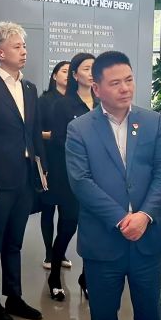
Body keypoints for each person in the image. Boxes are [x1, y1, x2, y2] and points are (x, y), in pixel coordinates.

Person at [65, 51, 161, 320]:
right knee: (103, 315)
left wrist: (144, 215)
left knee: (149, 312)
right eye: (115, 83)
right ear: (97, 88)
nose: (125, 88)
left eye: (129, 80)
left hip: (147, 237)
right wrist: (120, 218)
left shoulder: (152, 122)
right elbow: (80, 181)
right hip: (104, 240)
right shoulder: (80, 129)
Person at [0, 22, 47, 320]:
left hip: (25, 178)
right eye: (17, 47)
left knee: (15, 243)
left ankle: (14, 297)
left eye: (24, 46)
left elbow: (34, 133)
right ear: (1, 53)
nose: (23, 51)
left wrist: (42, 170)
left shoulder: (29, 88)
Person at [46, 53, 96, 301]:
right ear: (75, 75)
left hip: (98, 178)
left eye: (95, 68)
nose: (92, 72)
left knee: (92, 230)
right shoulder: (63, 105)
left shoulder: (102, 102)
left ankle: (86, 279)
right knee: (68, 226)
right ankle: (54, 276)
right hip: (71, 178)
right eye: (86, 68)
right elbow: (57, 140)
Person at [37, 61, 71, 270]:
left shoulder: (74, 101)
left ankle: (60, 252)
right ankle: (49, 254)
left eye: (70, 71)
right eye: (64, 71)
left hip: (70, 162)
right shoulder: (44, 100)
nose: (68, 75)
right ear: (55, 76)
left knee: (67, 211)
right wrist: (54, 135)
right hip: (51, 159)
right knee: (48, 208)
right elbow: (35, 131)